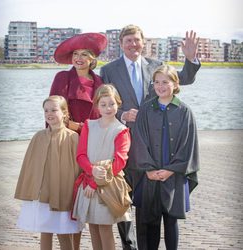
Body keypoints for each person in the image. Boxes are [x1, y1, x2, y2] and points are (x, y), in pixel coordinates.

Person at [100, 24, 200, 249]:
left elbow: (180, 78)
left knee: (151, 204)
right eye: (128, 40)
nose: (133, 44)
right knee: (125, 199)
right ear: (121, 44)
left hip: (156, 145)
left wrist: (190, 60)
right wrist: (122, 113)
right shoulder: (109, 70)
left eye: (136, 40)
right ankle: (130, 245)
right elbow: (103, 101)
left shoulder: (156, 67)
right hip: (125, 142)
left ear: (143, 42)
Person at [128, 65, 200, 250]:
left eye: (165, 82)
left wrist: (171, 170)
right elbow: (139, 141)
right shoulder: (145, 110)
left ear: (175, 84)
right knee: (149, 224)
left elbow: (188, 145)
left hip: (173, 175)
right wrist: (149, 170)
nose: (160, 86)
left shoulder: (185, 112)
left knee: (171, 222)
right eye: (157, 82)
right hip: (149, 175)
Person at [14, 95, 83, 250]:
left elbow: (77, 168)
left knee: (64, 232)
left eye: (54, 110)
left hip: (62, 194)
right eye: (46, 110)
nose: (49, 113)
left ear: (64, 112)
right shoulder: (38, 137)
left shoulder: (72, 137)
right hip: (43, 195)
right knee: (45, 231)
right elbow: (31, 167)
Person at [72, 84, 131, 250]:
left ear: (118, 104)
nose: (108, 108)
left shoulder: (121, 130)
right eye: (103, 104)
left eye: (111, 104)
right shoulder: (89, 126)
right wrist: (91, 172)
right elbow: (81, 155)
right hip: (88, 182)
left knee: (105, 228)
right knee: (93, 227)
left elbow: (119, 162)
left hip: (107, 186)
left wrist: (95, 182)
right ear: (97, 106)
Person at [50, 32, 107, 134]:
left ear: (91, 59)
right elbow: (52, 111)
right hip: (70, 137)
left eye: (84, 54)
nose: (78, 58)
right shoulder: (62, 77)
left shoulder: (100, 81)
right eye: (75, 54)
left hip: (96, 137)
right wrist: (80, 127)